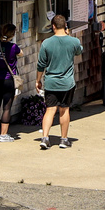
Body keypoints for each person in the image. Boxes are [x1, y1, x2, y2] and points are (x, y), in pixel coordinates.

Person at [36, 14, 85, 149]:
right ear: (65, 26)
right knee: (64, 110)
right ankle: (63, 140)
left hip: (51, 82)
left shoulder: (46, 43)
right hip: (67, 83)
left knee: (50, 110)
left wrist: (38, 80)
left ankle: (45, 138)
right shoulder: (73, 41)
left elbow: (41, 65)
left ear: (53, 26)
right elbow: (79, 51)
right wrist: (68, 35)